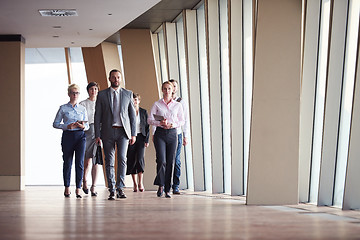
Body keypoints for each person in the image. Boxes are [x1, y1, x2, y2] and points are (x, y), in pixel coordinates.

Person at [94, 69, 137, 200]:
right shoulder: (102, 95)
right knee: (109, 160)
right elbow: (97, 116)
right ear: (109, 78)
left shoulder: (128, 94)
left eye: (118, 77)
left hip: (123, 132)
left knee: (122, 159)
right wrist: (97, 134)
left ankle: (120, 188)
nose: (116, 79)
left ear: (121, 78)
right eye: (114, 77)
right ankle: (112, 189)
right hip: (107, 131)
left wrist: (133, 133)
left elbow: (132, 116)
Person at [148, 81, 184, 198]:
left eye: (169, 89)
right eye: (165, 89)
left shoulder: (178, 105)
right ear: (162, 90)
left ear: (172, 90)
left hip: (173, 134)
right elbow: (149, 120)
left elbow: (182, 121)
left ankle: (168, 189)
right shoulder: (157, 104)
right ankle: (161, 185)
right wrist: (159, 122)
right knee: (161, 160)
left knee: (170, 162)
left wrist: (172, 124)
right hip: (160, 134)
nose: (167, 91)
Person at [53, 84, 89, 198]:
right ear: (69, 94)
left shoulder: (82, 108)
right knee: (67, 162)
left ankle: (78, 188)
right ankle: (67, 187)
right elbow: (55, 124)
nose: (75, 95)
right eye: (73, 93)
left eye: (77, 93)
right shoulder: (63, 108)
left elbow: (87, 125)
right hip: (68, 136)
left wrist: (82, 126)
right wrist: (67, 126)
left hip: (80, 136)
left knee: (79, 163)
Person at [169, 79, 190, 194]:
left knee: (176, 160)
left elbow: (185, 119)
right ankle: (164, 185)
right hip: (165, 134)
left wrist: (186, 135)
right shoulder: (163, 102)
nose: (173, 88)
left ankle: (175, 185)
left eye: (175, 86)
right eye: (171, 86)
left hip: (177, 134)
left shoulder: (181, 102)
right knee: (166, 161)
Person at [79, 82, 100, 196]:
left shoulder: (101, 103)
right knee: (87, 161)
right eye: (91, 89)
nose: (93, 91)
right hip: (86, 132)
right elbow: (80, 118)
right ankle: (84, 181)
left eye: (95, 89)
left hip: (98, 133)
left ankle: (94, 186)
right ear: (88, 90)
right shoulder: (83, 103)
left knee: (96, 160)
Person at [126, 93, 150, 192]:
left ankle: (140, 182)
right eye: (133, 100)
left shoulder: (143, 112)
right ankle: (134, 184)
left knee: (140, 159)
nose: (134, 102)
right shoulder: (128, 112)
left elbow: (147, 127)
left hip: (141, 137)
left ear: (139, 101)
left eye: (136, 100)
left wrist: (147, 140)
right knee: (131, 159)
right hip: (131, 137)